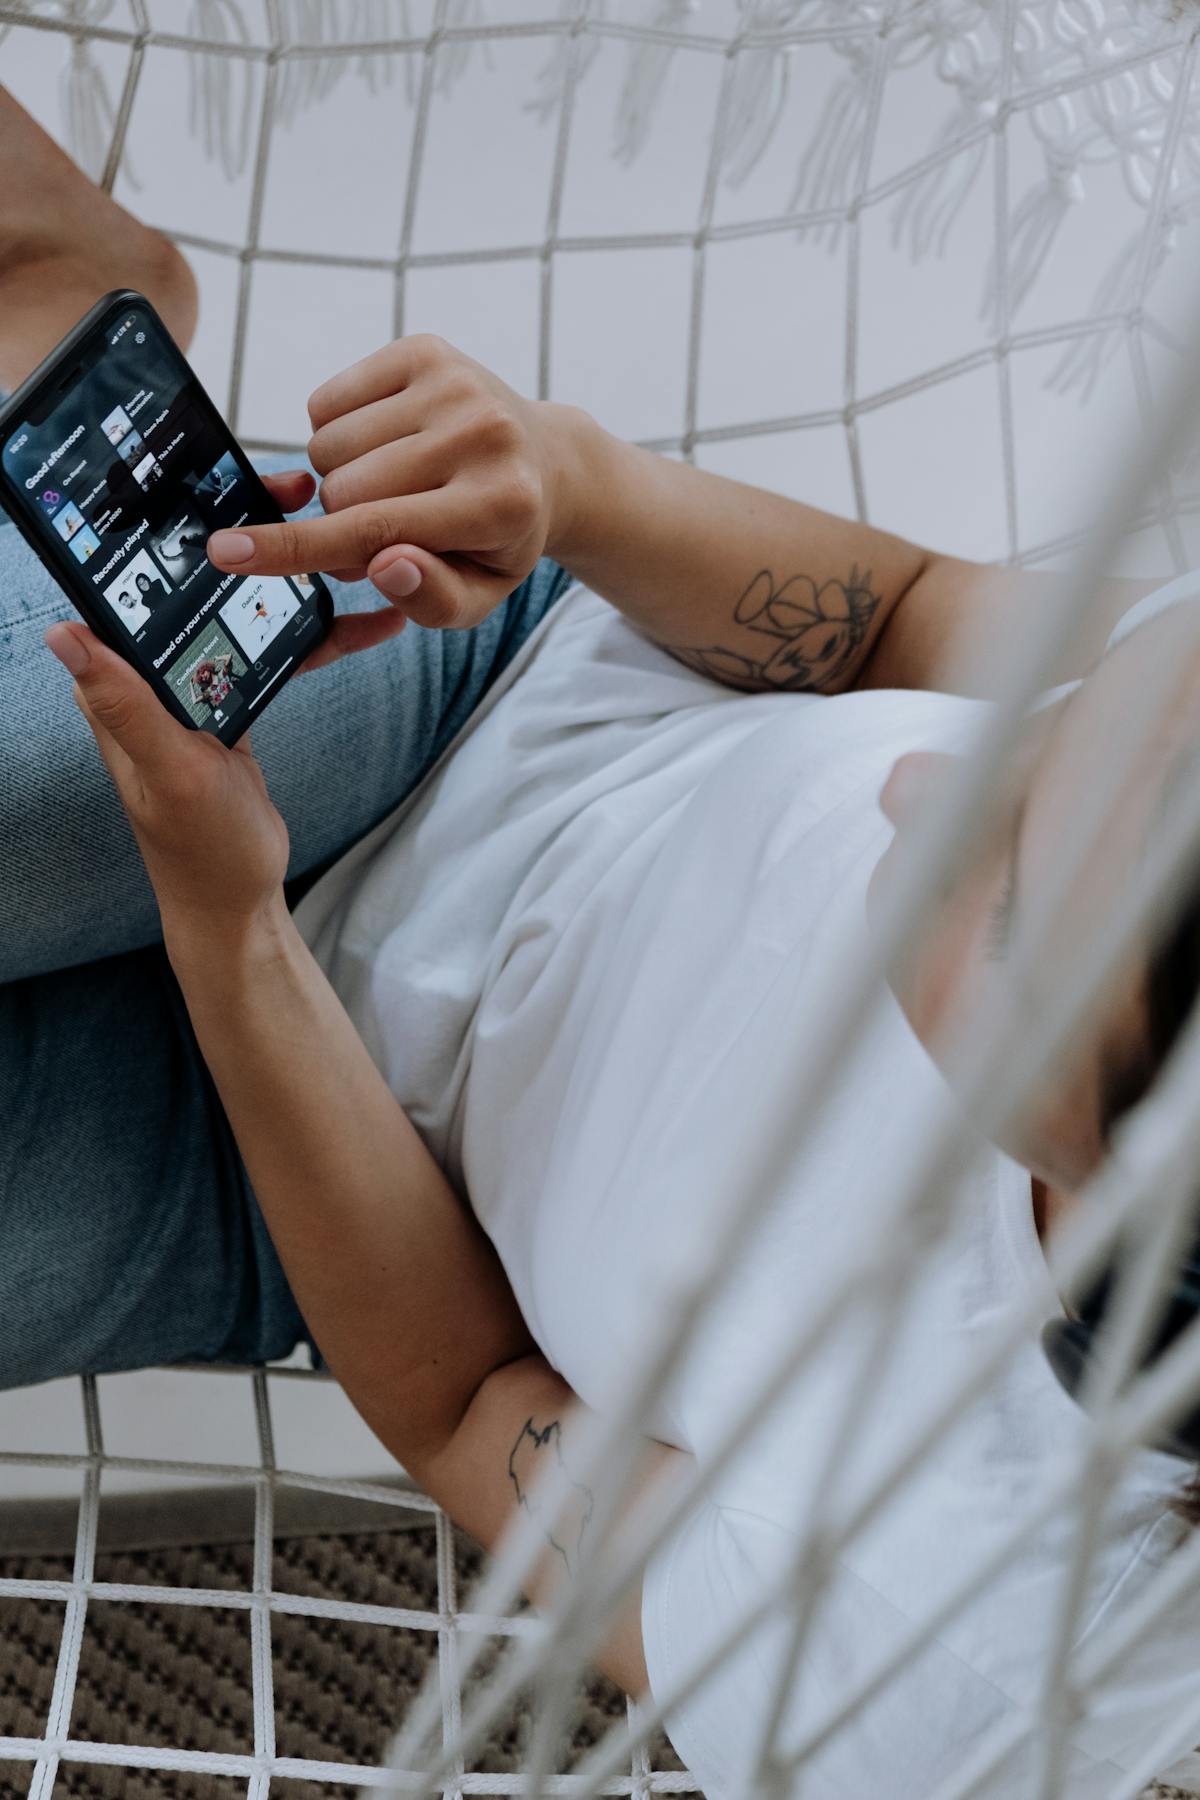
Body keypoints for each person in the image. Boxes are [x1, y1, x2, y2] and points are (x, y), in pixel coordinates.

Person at [2, 83, 1199, 1796]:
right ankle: (72, 294)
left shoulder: (946, 1652)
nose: (916, 790)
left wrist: (234, 938)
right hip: (459, 712)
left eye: (998, 899)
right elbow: (914, 623)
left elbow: (471, 1394)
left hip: (318, 1184)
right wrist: (574, 481)